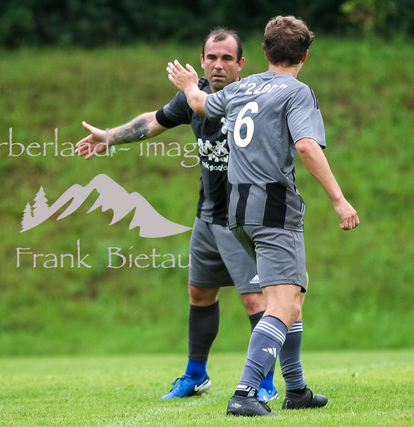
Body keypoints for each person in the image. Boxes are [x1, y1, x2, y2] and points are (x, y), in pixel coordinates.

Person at [167, 15, 360, 416]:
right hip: (273, 209)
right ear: (305, 55)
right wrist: (339, 200)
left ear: (265, 52)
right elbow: (306, 146)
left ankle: (297, 390)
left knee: (292, 291)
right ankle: (245, 393)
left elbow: (201, 104)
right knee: (282, 305)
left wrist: (188, 86)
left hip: (236, 211)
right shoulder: (297, 93)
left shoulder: (243, 86)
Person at [76, 28, 278, 401]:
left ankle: (264, 383)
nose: (218, 65)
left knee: (255, 301)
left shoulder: (250, 96)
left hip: (244, 216)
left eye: (227, 58)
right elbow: (154, 120)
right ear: (202, 60)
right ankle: (196, 375)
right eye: (211, 57)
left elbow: (209, 106)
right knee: (200, 293)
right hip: (208, 213)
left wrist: (190, 91)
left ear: (241, 64)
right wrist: (110, 136)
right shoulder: (192, 94)